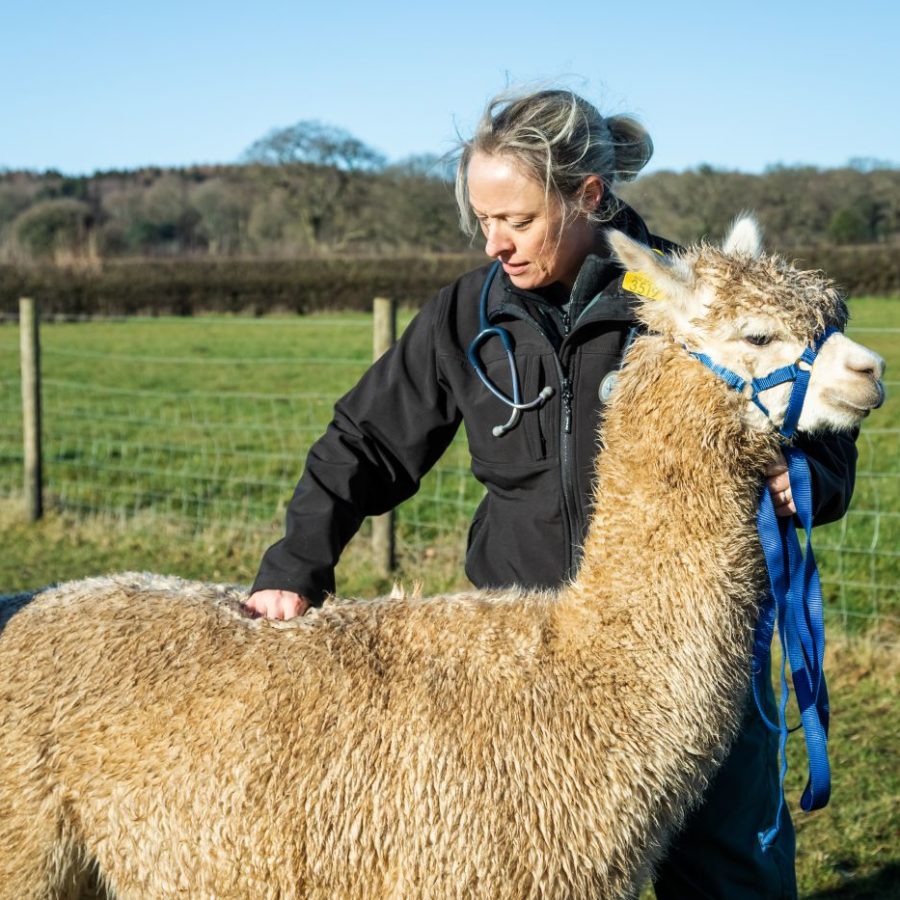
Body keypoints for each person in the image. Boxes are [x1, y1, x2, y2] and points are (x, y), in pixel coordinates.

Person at [247, 88, 857, 899]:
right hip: (518, 670)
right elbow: (366, 439)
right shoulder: (468, 313)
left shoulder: (691, 307)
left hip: (685, 657)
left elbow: (819, 426)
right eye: (483, 221)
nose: (496, 242)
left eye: (519, 220)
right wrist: (295, 566)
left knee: (728, 870)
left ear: (589, 198)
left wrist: (804, 478)